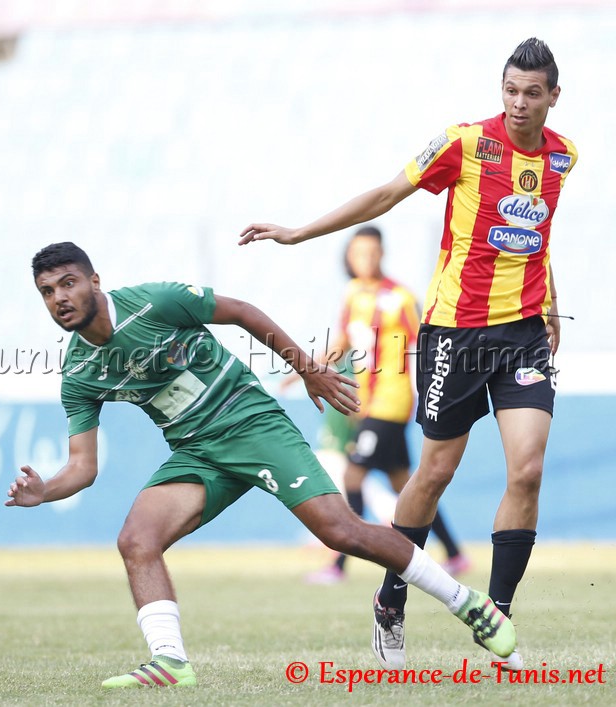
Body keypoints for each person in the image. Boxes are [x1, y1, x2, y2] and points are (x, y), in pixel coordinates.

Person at [6, 241, 515, 688]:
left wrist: (307, 369)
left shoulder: (153, 301)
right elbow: (83, 466)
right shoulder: (80, 372)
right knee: (137, 540)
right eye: (47, 292)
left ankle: (466, 602)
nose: (59, 298)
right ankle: (170, 662)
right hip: (198, 453)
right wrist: (45, 490)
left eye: (68, 283)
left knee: (339, 531)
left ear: (94, 281)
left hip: (252, 423)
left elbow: (242, 312)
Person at [239, 38, 574, 672]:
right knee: (434, 472)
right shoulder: (464, 143)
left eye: (532, 93)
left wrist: (552, 302)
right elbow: (387, 194)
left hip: (525, 335)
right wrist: (300, 232)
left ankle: (497, 616)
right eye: (510, 90)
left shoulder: (562, 156)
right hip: (456, 335)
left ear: (554, 96)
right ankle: (392, 596)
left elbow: (537, 236)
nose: (519, 103)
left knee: (528, 471)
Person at [305, 225, 470, 585]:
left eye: (371, 252)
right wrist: (308, 368)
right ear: (349, 257)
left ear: (382, 253)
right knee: (406, 486)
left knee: (353, 476)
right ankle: (455, 554)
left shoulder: (399, 298)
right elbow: (344, 341)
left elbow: (426, 342)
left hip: (390, 403)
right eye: (358, 253)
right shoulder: (352, 293)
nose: (365, 259)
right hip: (367, 404)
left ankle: (339, 565)